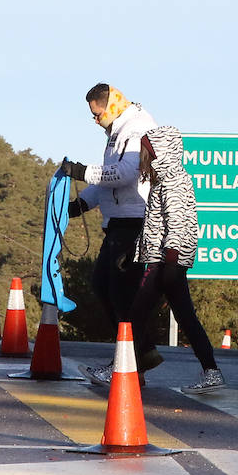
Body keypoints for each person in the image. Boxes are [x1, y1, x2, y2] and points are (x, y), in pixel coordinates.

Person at [61, 84, 159, 386]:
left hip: (134, 222)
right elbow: (110, 179)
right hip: (119, 221)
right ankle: (140, 355)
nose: (95, 120)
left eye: (97, 114)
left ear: (112, 106)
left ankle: (131, 362)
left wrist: (81, 172)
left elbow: (125, 173)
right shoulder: (117, 130)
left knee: (119, 294)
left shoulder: (136, 129)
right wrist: (82, 203)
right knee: (105, 288)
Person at [128, 126, 224, 394]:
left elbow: (178, 221)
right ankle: (212, 372)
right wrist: (137, 251)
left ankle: (118, 369)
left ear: (159, 151)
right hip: (166, 260)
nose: (142, 157)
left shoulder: (173, 181)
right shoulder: (165, 179)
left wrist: (170, 259)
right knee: (185, 317)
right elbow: (155, 224)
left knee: (136, 315)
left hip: (167, 261)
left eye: (146, 150)